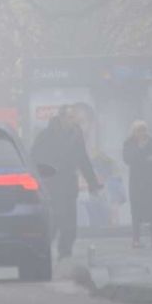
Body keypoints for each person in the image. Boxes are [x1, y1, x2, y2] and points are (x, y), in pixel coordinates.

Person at [32, 105, 103, 259]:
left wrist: (92, 183)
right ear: (61, 117)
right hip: (52, 184)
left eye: (74, 117)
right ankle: (43, 251)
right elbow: (34, 158)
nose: (74, 120)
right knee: (55, 220)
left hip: (69, 185)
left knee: (70, 222)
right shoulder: (46, 135)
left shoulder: (76, 135)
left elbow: (83, 160)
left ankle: (65, 253)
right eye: (70, 117)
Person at [122, 120, 152, 248]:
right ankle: (136, 240)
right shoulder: (129, 143)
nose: (142, 133)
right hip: (137, 183)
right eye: (139, 130)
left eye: (144, 130)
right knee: (136, 211)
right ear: (133, 132)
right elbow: (127, 159)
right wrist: (141, 149)